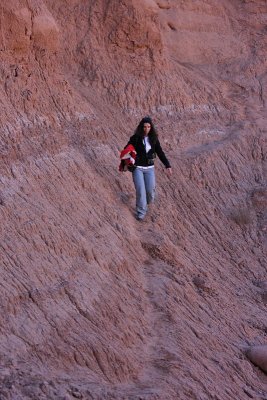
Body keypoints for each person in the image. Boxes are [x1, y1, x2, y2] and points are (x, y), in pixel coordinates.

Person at [126, 116, 172, 221]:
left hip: (149, 169)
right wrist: (128, 161)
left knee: (150, 191)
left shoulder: (154, 139)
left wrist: (167, 165)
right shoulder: (135, 138)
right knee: (140, 190)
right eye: (144, 127)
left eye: (148, 127)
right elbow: (127, 149)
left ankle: (143, 203)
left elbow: (160, 153)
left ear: (151, 128)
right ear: (141, 127)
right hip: (137, 168)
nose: (146, 129)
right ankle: (141, 212)